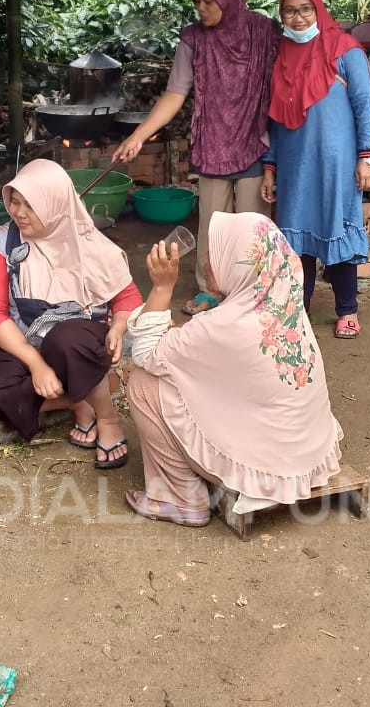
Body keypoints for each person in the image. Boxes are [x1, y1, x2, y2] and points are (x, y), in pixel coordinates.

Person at [123, 212, 344, 527]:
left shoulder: (223, 327)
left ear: (240, 262)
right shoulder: (282, 304)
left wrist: (161, 288)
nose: (206, 261)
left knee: (143, 382)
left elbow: (143, 353)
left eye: (216, 252)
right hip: (308, 453)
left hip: (268, 471)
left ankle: (180, 499)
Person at [112, 0, 280, 315]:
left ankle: (250, 293)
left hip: (254, 142)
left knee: (252, 226)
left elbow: (289, 75)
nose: (201, 8)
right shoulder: (193, 39)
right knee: (213, 225)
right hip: (213, 142)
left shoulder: (263, 32)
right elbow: (176, 92)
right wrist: (139, 136)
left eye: (209, 1)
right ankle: (210, 290)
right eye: (198, 1)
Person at [0, 159, 142, 468]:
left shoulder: (89, 243)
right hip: (25, 344)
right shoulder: (3, 243)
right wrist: (37, 365)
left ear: (55, 204)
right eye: (15, 202)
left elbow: (127, 298)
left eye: (30, 206)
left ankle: (107, 418)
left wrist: (117, 328)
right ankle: (80, 398)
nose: (18, 213)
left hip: (78, 347)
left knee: (68, 339)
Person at [261, 0, 370, 339]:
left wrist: (367, 157)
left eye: (305, 10)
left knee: (337, 229)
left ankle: (347, 309)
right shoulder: (281, 55)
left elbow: (367, 105)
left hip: (337, 165)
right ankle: (300, 309)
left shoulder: (345, 49)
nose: (297, 19)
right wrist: (269, 167)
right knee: (298, 242)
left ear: (318, 9)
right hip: (296, 167)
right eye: (289, 12)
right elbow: (274, 120)